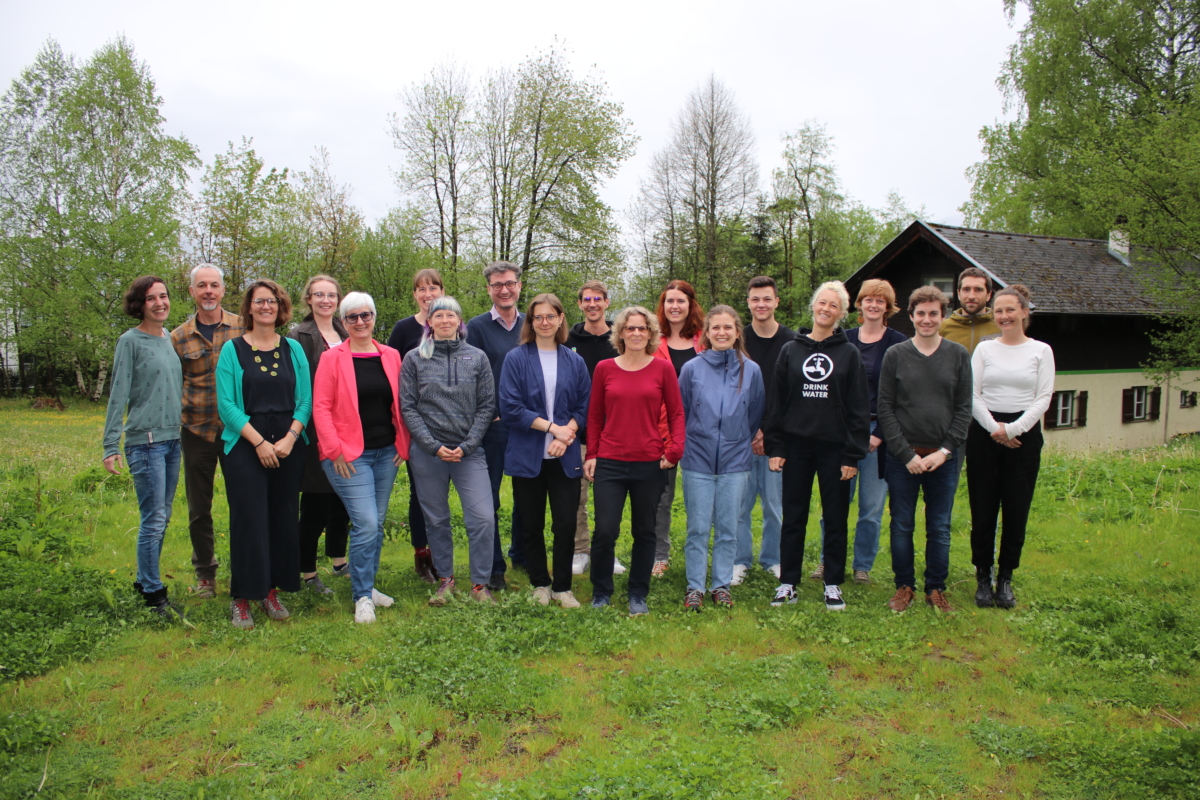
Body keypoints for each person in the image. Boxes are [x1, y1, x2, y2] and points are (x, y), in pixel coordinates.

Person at [764, 282, 870, 611]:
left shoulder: (849, 353)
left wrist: (853, 453)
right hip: (795, 447)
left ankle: (833, 583)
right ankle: (788, 582)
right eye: (821, 303)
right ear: (813, 306)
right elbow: (777, 401)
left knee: (835, 517)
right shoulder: (791, 350)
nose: (826, 309)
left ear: (841, 313)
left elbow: (858, 407)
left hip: (835, 449)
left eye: (833, 306)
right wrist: (776, 446)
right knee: (793, 515)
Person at [216, 280, 311, 629]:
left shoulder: (293, 349)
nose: (265, 307)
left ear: (280, 307)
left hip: (288, 443)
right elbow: (226, 404)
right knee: (249, 518)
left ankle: (271, 590)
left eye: (271, 301)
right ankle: (242, 597)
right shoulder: (232, 350)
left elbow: (305, 400)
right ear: (249, 307)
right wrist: (258, 442)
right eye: (259, 301)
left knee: (282, 517)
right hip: (244, 443)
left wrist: (290, 437)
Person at [312, 292, 411, 624]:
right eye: (352, 317)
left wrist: (403, 444)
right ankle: (362, 597)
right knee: (366, 522)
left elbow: (401, 404)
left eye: (365, 315)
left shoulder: (391, 355)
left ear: (374, 317)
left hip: (386, 452)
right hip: (348, 456)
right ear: (343, 321)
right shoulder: (332, 358)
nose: (359, 322)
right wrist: (334, 449)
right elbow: (321, 407)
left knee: (376, 523)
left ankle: (365, 583)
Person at [877, 286, 972, 613]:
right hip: (903, 458)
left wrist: (943, 451)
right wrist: (906, 455)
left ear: (942, 316)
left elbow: (964, 409)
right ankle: (904, 587)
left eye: (934, 313)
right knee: (901, 523)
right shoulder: (896, 355)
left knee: (939, 526)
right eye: (921, 313)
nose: (927, 319)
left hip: (944, 458)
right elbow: (885, 409)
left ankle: (936, 588)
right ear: (912, 316)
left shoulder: (958, 355)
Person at [585, 307, 685, 616]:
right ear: (621, 333)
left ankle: (637, 593)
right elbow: (595, 415)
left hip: (649, 463)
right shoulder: (604, 368)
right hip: (611, 463)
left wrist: (674, 451)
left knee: (645, 531)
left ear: (651, 334)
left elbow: (677, 412)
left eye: (643, 329)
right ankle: (601, 590)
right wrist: (592, 454)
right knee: (605, 529)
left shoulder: (662, 369)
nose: (637, 334)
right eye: (630, 328)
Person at [402, 296, 497, 606]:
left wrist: (467, 445)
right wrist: (433, 446)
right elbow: (408, 407)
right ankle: (446, 580)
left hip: (469, 453)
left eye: (450, 315)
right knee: (436, 519)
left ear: (460, 321)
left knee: (482, 517)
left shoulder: (477, 358)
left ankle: (480, 585)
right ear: (429, 322)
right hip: (428, 454)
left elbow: (486, 405)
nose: (444, 320)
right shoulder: (414, 359)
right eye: (438, 315)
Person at [812, 279, 907, 586]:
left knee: (872, 506)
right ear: (859, 304)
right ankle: (829, 561)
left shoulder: (897, 343)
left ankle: (862, 565)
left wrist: (879, 433)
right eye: (868, 299)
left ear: (888, 307)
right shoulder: (844, 338)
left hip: (880, 434)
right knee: (835, 501)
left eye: (881, 301)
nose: (873, 305)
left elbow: (900, 394)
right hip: (842, 432)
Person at [500, 294, 590, 609]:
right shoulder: (516, 358)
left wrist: (566, 437)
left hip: (564, 457)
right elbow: (510, 408)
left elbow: (583, 406)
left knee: (565, 522)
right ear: (531, 322)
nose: (545, 322)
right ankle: (540, 582)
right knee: (531, 523)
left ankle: (563, 587)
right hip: (528, 455)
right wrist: (553, 429)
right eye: (538, 317)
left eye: (551, 316)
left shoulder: (574, 360)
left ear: (561, 319)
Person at [968, 284, 1054, 609]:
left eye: (1009, 310)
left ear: (1024, 312)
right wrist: (995, 429)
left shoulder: (1041, 350)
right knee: (983, 507)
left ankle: (1005, 578)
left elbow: (1044, 397)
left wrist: (1014, 428)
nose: (1003, 316)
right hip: (986, 435)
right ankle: (982, 576)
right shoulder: (985, 350)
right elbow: (973, 394)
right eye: (998, 311)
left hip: (1025, 435)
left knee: (1016, 509)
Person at [103, 276, 184, 618]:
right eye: (151, 298)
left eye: (163, 296)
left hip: (173, 441)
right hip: (146, 443)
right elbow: (118, 393)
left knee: (162, 518)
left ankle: (143, 579)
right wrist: (110, 445)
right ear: (140, 304)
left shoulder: (168, 338)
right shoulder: (129, 341)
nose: (160, 303)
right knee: (153, 519)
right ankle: (153, 594)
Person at [678, 306, 764, 611]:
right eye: (716, 328)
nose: (722, 333)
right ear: (707, 333)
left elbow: (754, 414)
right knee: (698, 527)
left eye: (728, 327)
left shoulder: (751, 370)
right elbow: (682, 412)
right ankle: (695, 587)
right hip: (697, 461)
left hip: (735, 462)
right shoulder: (691, 369)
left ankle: (721, 585)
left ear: (737, 332)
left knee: (728, 527)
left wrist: (737, 440)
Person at [170, 264, 245, 599]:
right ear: (192, 292)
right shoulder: (178, 337)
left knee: (244, 501)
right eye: (202, 286)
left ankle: (246, 567)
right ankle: (205, 574)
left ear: (223, 290)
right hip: (197, 430)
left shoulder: (242, 327)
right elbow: (175, 385)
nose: (209, 292)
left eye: (214, 285)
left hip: (238, 432)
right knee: (199, 508)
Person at [289, 275, 350, 596]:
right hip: (314, 429)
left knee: (343, 496)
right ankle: (308, 571)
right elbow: (297, 384)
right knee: (316, 500)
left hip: (348, 427)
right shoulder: (299, 336)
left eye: (331, 295)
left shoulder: (346, 329)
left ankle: (340, 560)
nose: (326, 300)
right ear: (309, 299)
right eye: (319, 295)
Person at [466, 261, 525, 589]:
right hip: (493, 426)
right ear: (489, 288)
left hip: (528, 425)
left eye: (510, 283)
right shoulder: (475, 328)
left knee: (526, 494)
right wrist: (487, 412)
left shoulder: (531, 324)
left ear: (519, 285)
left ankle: (523, 555)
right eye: (497, 284)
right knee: (488, 499)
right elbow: (468, 375)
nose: (504, 289)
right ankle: (493, 568)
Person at [386, 268, 444, 583]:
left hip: (450, 425)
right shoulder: (403, 329)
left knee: (442, 493)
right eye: (421, 289)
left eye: (432, 287)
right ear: (415, 295)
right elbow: (392, 376)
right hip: (416, 423)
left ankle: (441, 555)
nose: (427, 294)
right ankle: (422, 556)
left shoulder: (453, 326)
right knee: (420, 493)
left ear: (441, 291)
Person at [736, 276, 794, 584]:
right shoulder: (737, 339)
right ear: (748, 303)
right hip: (741, 438)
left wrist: (769, 433)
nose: (761, 304)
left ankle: (773, 558)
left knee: (775, 505)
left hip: (778, 439)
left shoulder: (792, 341)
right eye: (755, 299)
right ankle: (740, 560)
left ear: (776, 302)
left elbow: (791, 394)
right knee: (740, 504)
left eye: (767, 299)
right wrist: (752, 431)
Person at [564, 280, 623, 577]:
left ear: (607, 302)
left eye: (597, 299)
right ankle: (580, 550)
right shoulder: (568, 341)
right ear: (579, 304)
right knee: (577, 498)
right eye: (586, 299)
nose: (592, 304)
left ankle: (607, 552)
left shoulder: (621, 338)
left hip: (615, 433)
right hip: (578, 432)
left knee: (608, 498)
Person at [649, 279, 706, 577]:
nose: (674, 306)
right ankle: (660, 555)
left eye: (680, 300)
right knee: (661, 499)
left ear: (690, 305)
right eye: (669, 301)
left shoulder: (705, 340)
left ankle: (702, 555)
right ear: (663, 305)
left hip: (701, 432)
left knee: (701, 497)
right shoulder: (651, 341)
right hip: (662, 431)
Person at [939, 267, 1000, 355]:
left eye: (978, 290)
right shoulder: (942, 328)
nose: (971, 296)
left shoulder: (1000, 327)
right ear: (959, 294)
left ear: (988, 295)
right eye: (966, 289)